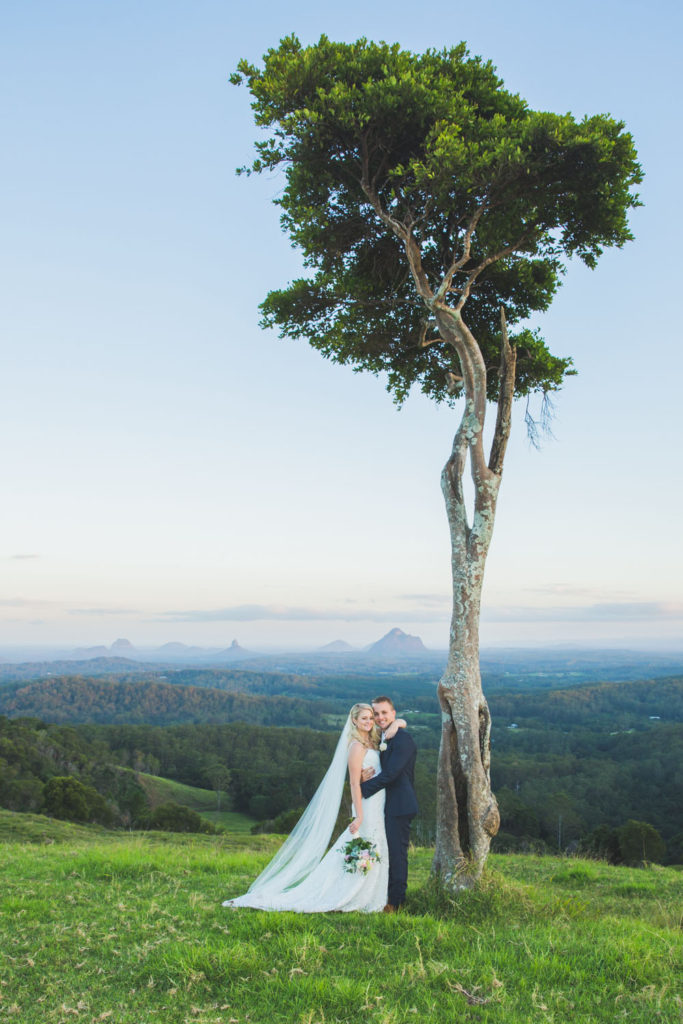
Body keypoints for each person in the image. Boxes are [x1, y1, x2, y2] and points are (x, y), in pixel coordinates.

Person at [222, 703, 406, 913]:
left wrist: (399, 721)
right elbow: (354, 783)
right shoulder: (356, 745)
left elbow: (395, 726)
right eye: (363, 718)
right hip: (367, 803)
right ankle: (353, 894)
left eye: (370, 718)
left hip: (379, 800)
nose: (368, 722)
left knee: (377, 843)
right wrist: (359, 814)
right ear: (354, 720)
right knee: (367, 841)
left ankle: (375, 895)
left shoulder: (373, 740)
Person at [360, 695, 418, 912]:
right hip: (386, 803)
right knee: (387, 851)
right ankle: (382, 895)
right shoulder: (382, 736)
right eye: (376, 714)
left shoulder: (403, 740)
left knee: (397, 854)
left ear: (393, 714)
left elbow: (392, 774)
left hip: (400, 805)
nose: (380, 717)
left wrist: (362, 789)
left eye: (385, 713)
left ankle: (396, 902)